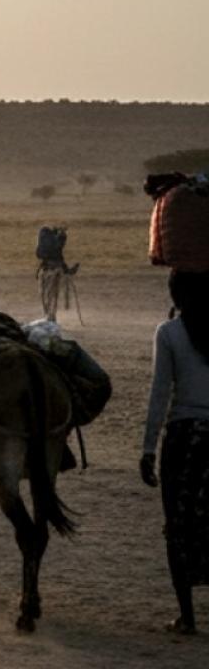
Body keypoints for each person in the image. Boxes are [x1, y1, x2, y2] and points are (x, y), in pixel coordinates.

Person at [141, 270, 209, 635]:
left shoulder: (168, 333)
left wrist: (148, 449)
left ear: (176, 296)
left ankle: (188, 617)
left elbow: (159, 394)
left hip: (184, 439)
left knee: (178, 528)